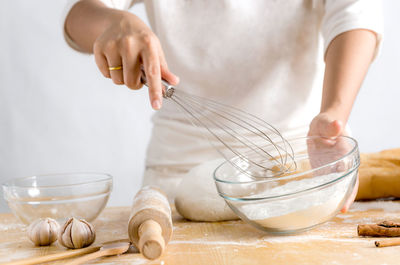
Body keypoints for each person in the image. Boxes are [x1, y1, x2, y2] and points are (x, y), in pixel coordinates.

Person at [63, 0, 383, 212]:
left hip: (301, 169)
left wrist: (334, 114)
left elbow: (354, 10)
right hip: (177, 177)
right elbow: (79, 13)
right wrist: (114, 22)